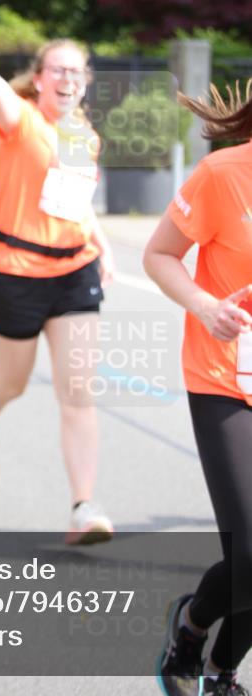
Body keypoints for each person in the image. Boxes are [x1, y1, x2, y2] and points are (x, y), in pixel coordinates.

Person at [0, 0, 115, 545]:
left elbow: (74, 198)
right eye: (59, 70)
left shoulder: (83, 137)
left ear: (85, 82)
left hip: (73, 273)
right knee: (12, 383)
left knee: (78, 391)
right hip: (13, 274)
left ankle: (83, 507)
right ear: (41, 79)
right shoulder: (19, 121)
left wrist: (103, 243)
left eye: (78, 71)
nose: (69, 79)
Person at [144, 81, 252, 696]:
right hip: (225, 379)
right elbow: (160, 255)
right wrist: (206, 305)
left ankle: (221, 672)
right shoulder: (222, 174)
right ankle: (189, 627)